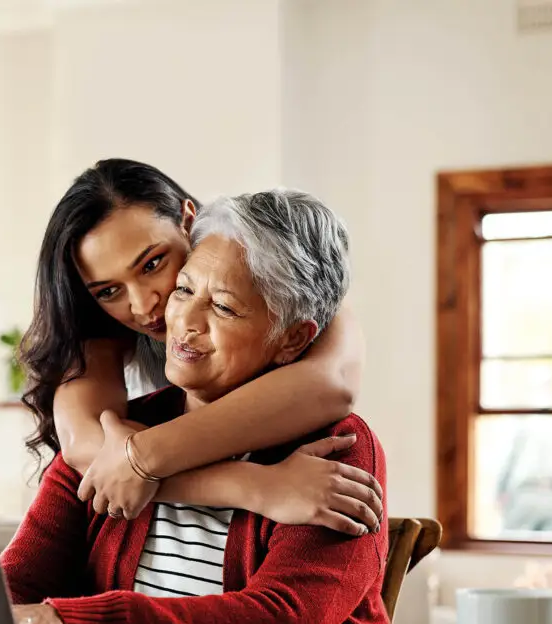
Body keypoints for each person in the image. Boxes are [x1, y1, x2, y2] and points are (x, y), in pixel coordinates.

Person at [1, 189, 394, 624]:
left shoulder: (341, 448)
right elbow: (15, 583)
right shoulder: (119, 433)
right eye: (184, 290)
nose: (182, 321)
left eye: (224, 308)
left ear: (292, 339)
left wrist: (76, 623)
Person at [20, 159, 383, 535]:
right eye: (109, 291)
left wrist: (143, 457)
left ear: (188, 221)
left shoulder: (283, 280)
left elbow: (330, 385)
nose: (144, 306)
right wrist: (254, 486)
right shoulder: (99, 333)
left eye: (152, 264)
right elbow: (88, 448)